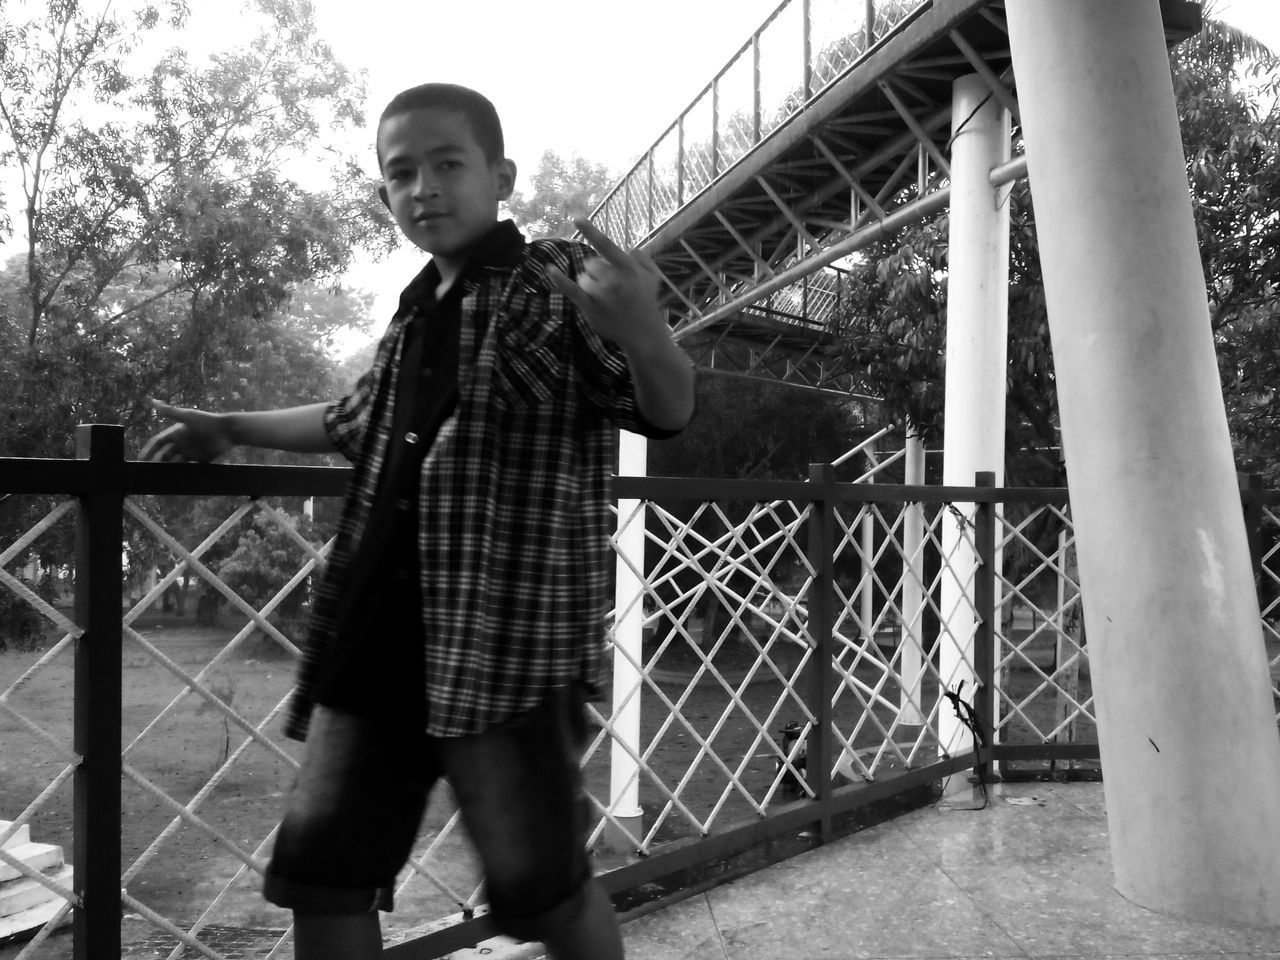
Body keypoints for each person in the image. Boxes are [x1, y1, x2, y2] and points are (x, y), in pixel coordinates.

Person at [141, 82, 695, 960]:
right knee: (322, 882)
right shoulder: (412, 316)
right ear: (383, 194)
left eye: (448, 165)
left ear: (501, 175)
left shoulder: (550, 283)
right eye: (402, 173)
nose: (425, 188)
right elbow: (348, 419)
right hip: (373, 649)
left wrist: (647, 333)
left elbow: (663, 411)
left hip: (504, 653)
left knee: (544, 893)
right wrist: (232, 430)